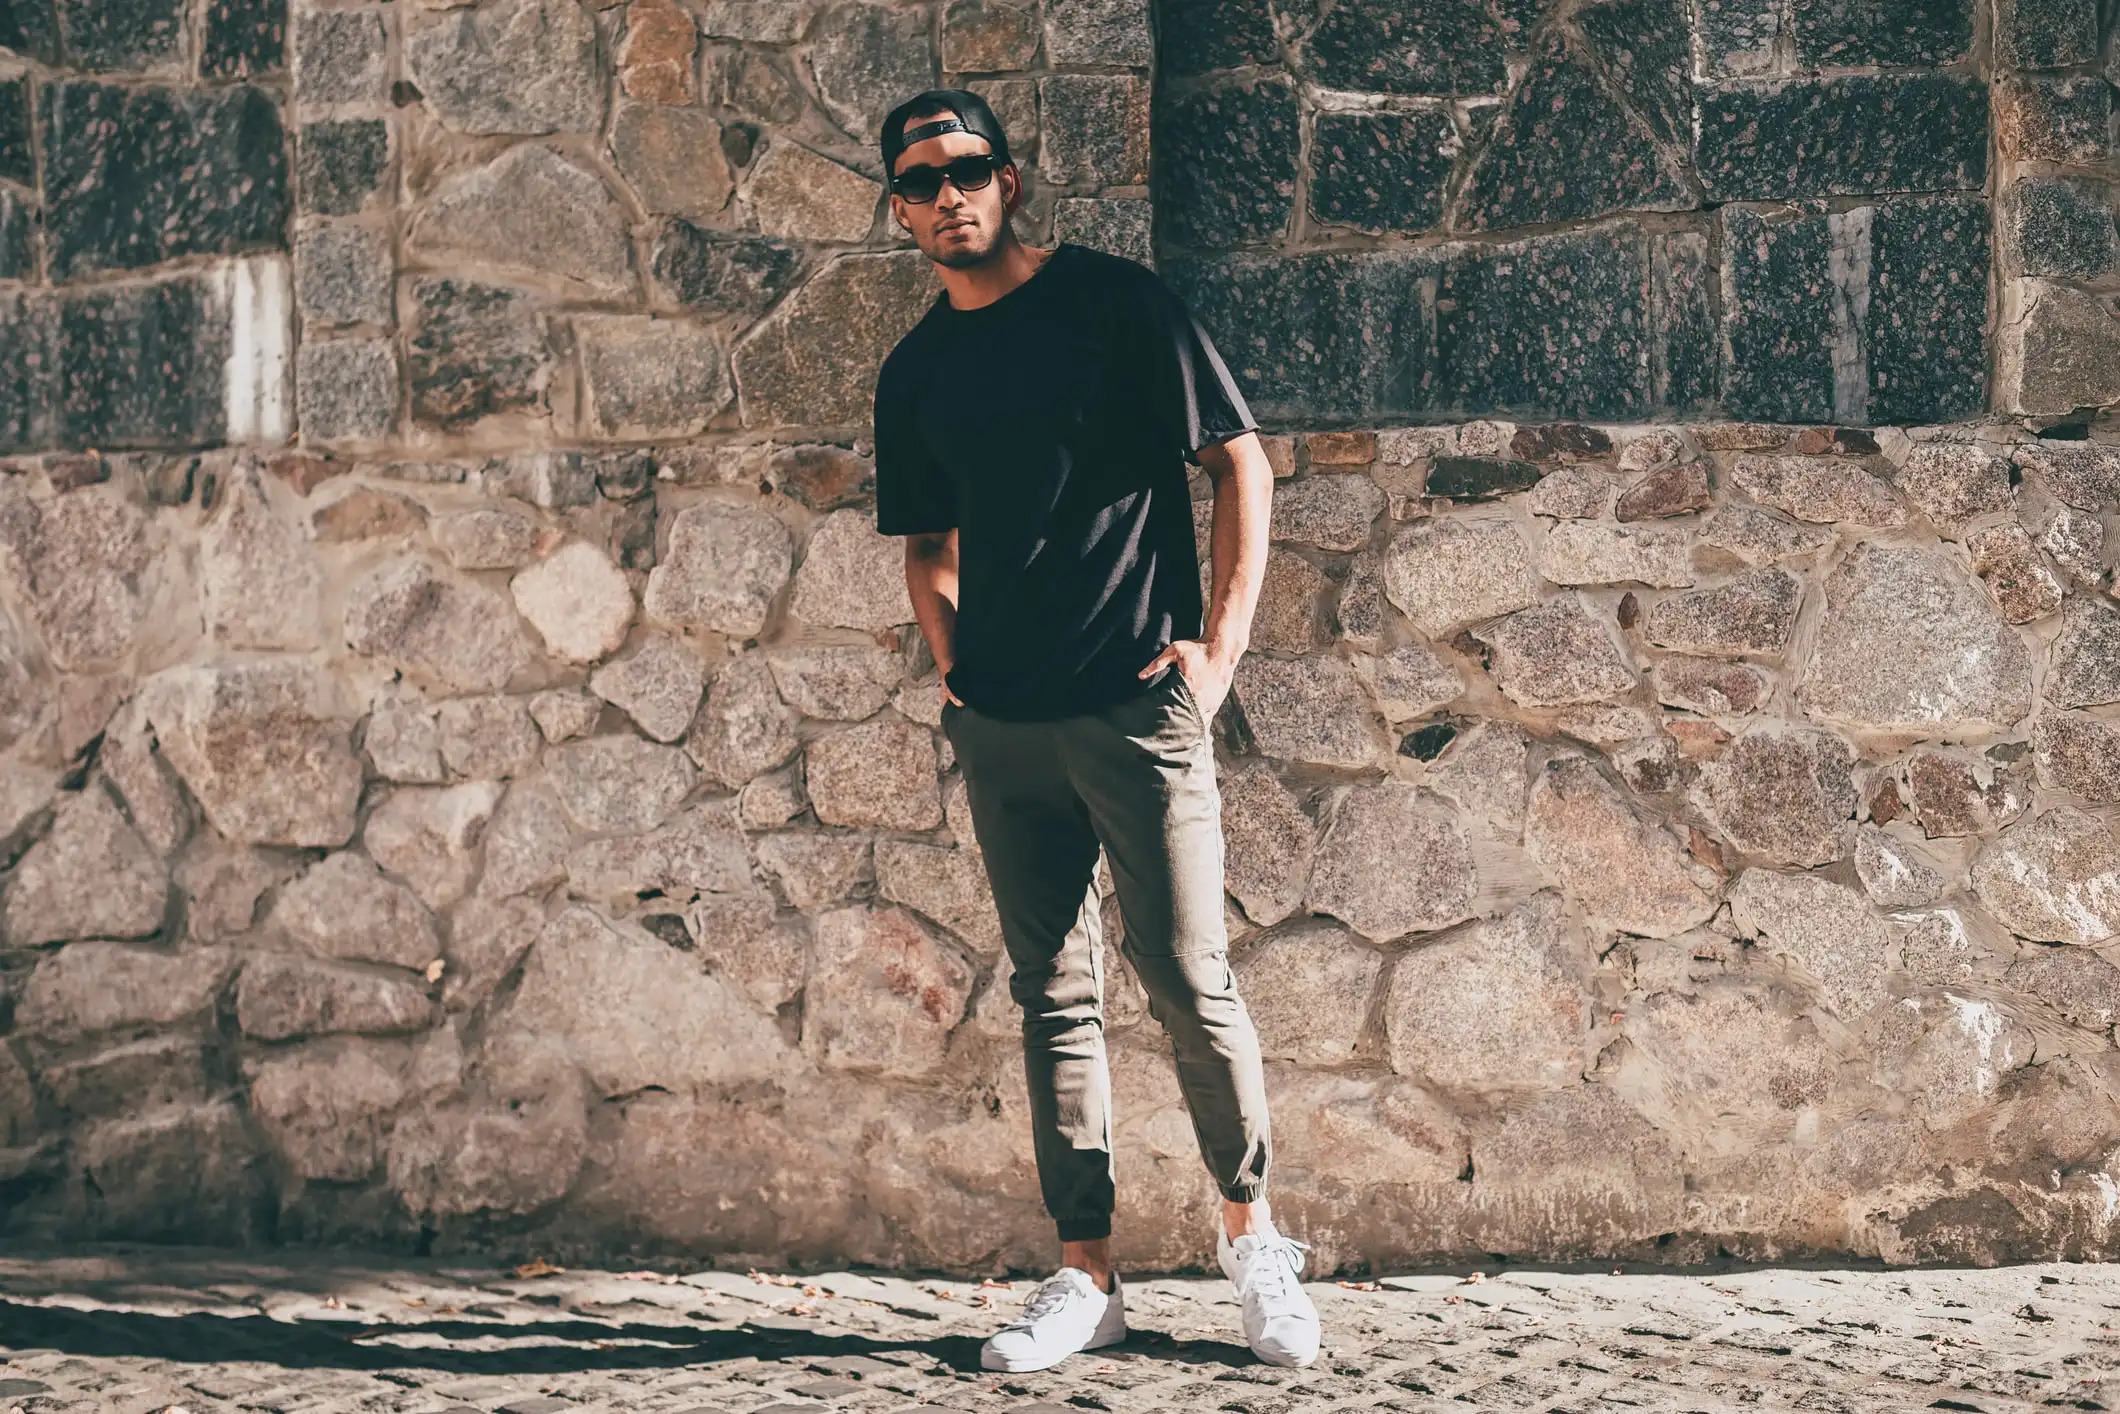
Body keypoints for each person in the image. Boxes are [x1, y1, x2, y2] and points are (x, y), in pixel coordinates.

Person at [870, 88, 1322, 1374]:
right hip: (1004, 728)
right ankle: (1085, 1279)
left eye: (966, 170)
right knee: (1051, 998)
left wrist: (1217, 656)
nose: (946, 194)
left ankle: (1253, 1247)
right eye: (918, 181)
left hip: (1135, 701)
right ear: (898, 210)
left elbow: (1238, 462)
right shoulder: (915, 369)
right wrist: (953, 669)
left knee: (1187, 978)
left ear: (1009, 181)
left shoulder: (1116, 304)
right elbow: (926, 544)